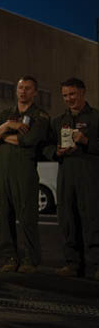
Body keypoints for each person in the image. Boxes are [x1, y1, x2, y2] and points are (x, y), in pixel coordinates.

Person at [0, 76, 50, 273]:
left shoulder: (40, 116)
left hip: (24, 171)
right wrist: (7, 126)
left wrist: (1, 137)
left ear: (35, 92)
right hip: (2, 172)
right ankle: (10, 258)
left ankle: (30, 259)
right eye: (21, 88)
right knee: (3, 216)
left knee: (27, 216)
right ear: (16, 90)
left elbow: (30, 139)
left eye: (28, 88)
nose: (23, 92)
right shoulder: (4, 114)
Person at [42, 78, 99, 279]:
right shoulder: (58, 121)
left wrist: (86, 141)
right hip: (66, 175)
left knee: (92, 220)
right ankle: (72, 264)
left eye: (72, 94)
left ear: (83, 92)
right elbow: (46, 146)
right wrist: (55, 152)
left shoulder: (96, 118)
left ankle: (96, 265)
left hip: (90, 175)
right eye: (65, 95)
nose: (69, 99)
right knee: (68, 220)